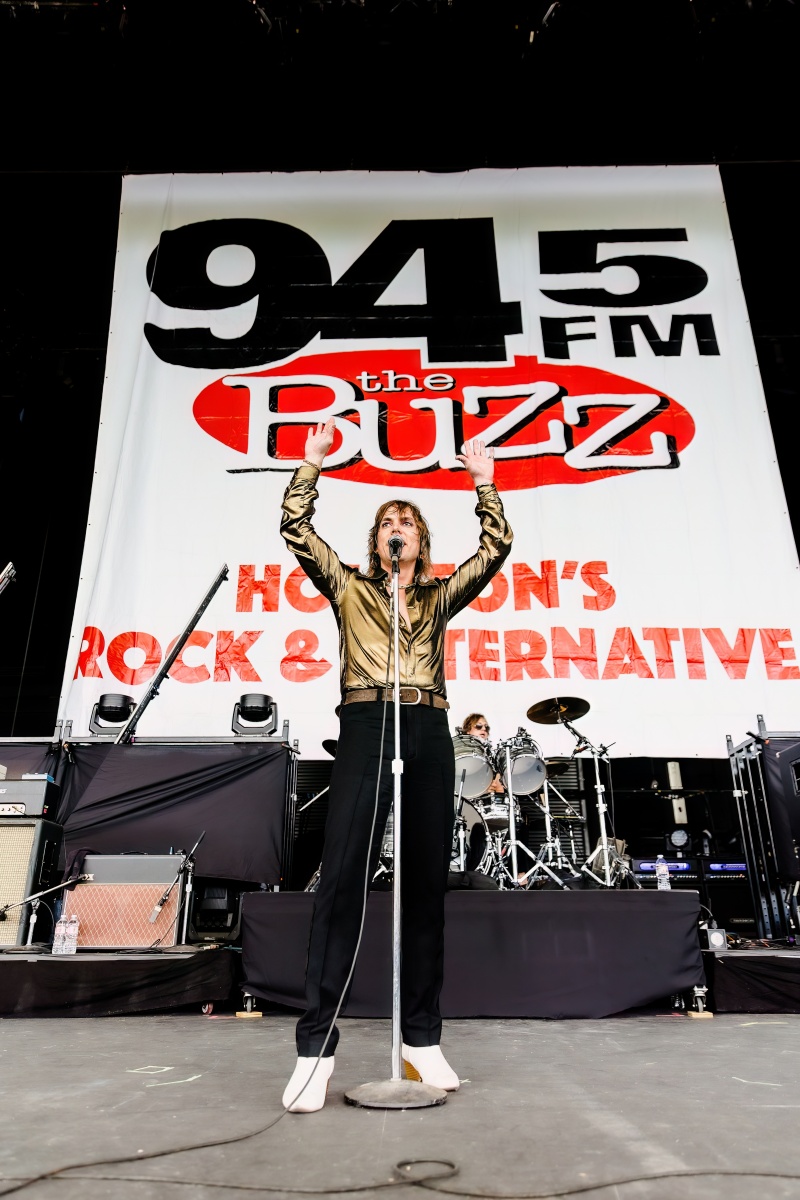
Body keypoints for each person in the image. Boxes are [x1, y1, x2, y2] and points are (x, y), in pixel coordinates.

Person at [279, 417, 513, 1112]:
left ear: (420, 541)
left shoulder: (438, 597)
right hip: (366, 719)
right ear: (377, 539)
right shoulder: (350, 588)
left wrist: (484, 483)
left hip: (428, 723)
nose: (397, 527)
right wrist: (311, 464)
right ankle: (315, 1050)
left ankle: (421, 1039)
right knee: (342, 876)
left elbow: (495, 549)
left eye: (407, 521)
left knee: (424, 884)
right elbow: (296, 530)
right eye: (389, 520)